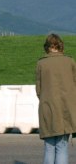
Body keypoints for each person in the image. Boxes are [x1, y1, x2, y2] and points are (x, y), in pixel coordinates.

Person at [36, 33, 76, 164]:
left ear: (47, 47)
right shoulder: (70, 61)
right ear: (60, 45)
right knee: (62, 147)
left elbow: (38, 91)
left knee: (49, 147)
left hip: (48, 110)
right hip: (66, 111)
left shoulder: (41, 63)